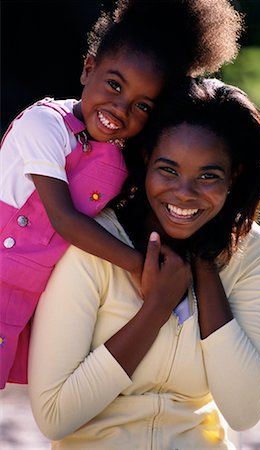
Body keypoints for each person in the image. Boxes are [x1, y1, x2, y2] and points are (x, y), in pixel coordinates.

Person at [0, 0, 244, 389]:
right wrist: (139, 266)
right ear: (87, 68)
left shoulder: (118, 155)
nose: (120, 107)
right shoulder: (43, 125)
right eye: (114, 85)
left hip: (24, 301)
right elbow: (65, 220)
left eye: (142, 105)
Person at [28, 77, 260, 449]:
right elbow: (54, 416)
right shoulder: (93, 246)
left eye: (208, 175)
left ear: (235, 175)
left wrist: (204, 263)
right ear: (146, 158)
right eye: (169, 170)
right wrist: (156, 308)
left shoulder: (249, 250)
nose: (184, 193)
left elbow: (244, 411)